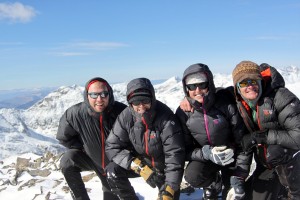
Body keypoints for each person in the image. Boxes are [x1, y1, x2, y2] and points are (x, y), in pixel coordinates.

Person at [175, 63, 251, 200]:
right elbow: (185, 149)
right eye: (192, 86)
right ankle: (213, 182)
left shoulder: (226, 104)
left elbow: (242, 142)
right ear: (186, 89)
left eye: (202, 84)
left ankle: (229, 183)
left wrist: (238, 177)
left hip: (231, 157)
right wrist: (207, 153)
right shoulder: (183, 113)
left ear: (209, 83)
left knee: (233, 195)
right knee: (193, 176)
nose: (197, 90)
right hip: (206, 157)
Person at [105, 77, 185, 200]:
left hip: (164, 169)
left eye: (145, 100)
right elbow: (112, 146)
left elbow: (174, 154)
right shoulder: (126, 117)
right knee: (112, 170)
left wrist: (170, 187)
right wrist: (139, 167)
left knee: (168, 197)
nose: (141, 106)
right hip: (142, 165)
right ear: (130, 103)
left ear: (152, 98)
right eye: (136, 102)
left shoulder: (166, 117)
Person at [231, 61, 300, 200]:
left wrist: (262, 136)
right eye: (244, 83)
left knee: (276, 151)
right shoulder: (240, 104)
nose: (250, 86)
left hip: (292, 161)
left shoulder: (281, 97)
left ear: (261, 82)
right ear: (237, 88)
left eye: (254, 81)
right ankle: (279, 190)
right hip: (267, 164)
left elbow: (298, 136)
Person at [56, 77, 127, 200]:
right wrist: (83, 148)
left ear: (109, 94)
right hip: (92, 160)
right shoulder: (75, 114)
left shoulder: (122, 112)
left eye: (104, 94)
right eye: (94, 95)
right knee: (67, 161)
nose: (99, 99)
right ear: (87, 96)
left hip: (116, 166)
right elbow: (64, 137)